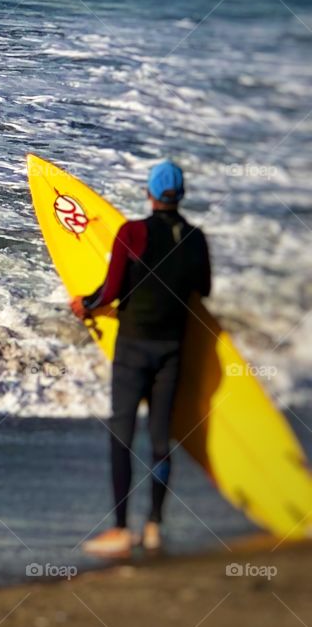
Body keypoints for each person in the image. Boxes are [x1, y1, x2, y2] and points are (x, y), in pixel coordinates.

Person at [70, 160, 211, 556]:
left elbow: (111, 290)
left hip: (133, 349)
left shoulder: (133, 232)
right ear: (180, 195)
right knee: (160, 438)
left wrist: (86, 304)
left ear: (149, 192)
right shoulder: (196, 238)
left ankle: (119, 530)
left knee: (122, 435)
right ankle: (154, 526)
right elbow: (205, 289)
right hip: (172, 349)